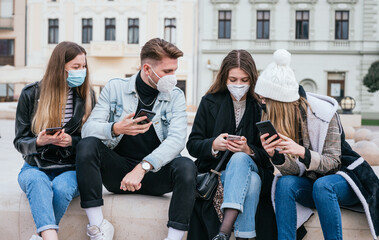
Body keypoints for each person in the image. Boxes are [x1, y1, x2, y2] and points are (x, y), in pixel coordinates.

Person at [75, 38, 197, 240]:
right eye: (168, 71)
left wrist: (143, 167)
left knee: (187, 166)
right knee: (87, 145)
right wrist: (115, 128)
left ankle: (173, 238)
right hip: (119, 177)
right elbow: (88, 130)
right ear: (147, 69)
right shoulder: (115, 88)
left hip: (155, 174)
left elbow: (177, 140)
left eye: (174, 70)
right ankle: (98, 228)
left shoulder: (175, 95)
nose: (173, 77)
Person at [255, 49, 379, 240]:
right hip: (314, 181)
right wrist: (276, 156)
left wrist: (303, 152)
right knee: (284, 183)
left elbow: (333, 163)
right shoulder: (282, 119)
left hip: (345, 178)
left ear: (279, 101)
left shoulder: (323, 114)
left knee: (323, 185)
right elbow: (295, 172)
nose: (261, 103)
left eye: (265, 99)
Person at [187, 50, 277, 240]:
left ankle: (224, 232)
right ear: (224, 78)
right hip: (218, 174)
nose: (238, 85)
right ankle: (245, 236)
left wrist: (248, 150)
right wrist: (214, 144)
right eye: (233, 79)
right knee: (251, 183)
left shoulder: (261, 106)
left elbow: (271, 154)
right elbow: (193, 145)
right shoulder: (209, 101)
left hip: (254, 167)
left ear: (252, 79)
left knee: (240, 157)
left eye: (244, 80)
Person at [14, 41, 94, 240]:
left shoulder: (88, 96)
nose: (81, 71)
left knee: (62, 187)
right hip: (35, 166)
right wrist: (38, 142)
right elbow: (19, 141)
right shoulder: (30, 94)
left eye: (83, 66)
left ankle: (44, 237)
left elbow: (94, 140)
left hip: (72, 168)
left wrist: (72, 142)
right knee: (36, 180)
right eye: (76, 67)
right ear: (60, 67)